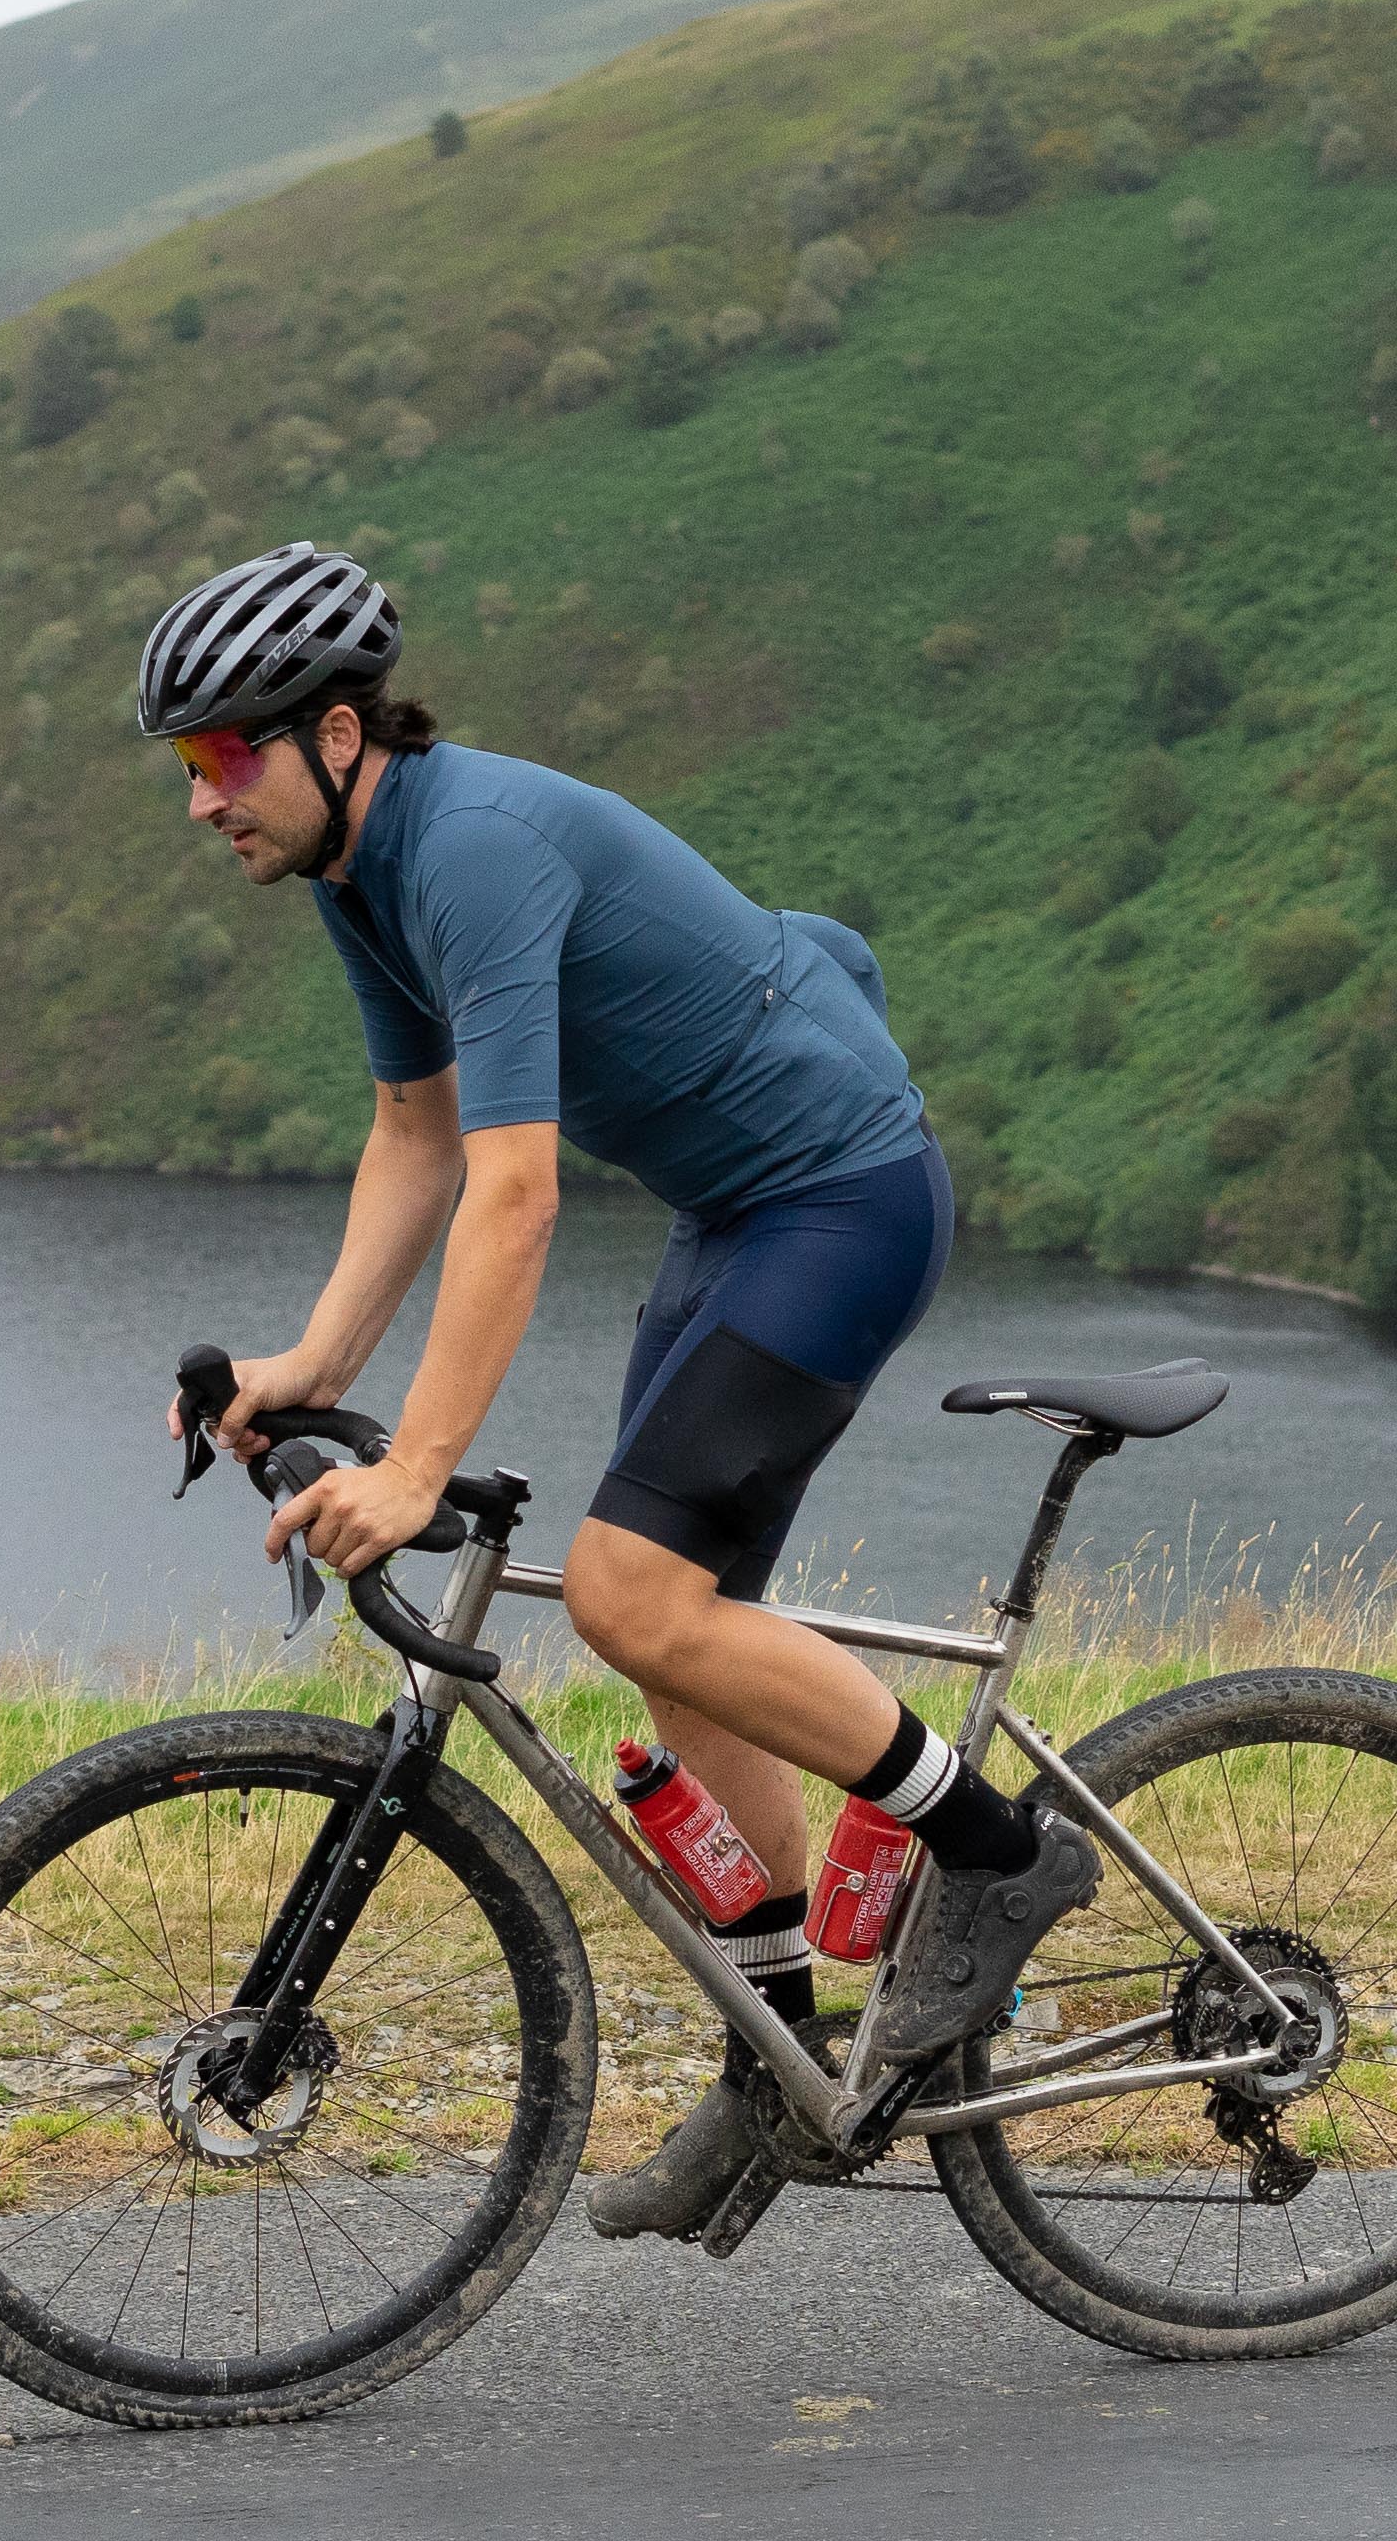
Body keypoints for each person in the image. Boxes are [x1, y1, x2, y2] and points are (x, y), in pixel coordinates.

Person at [137, 539, 1089, 2239]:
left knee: (644, 1596)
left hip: (842, 1197)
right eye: (190, 769)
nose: (201, 803)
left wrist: (421, 1465)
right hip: (740, 1212)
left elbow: (516, 1192)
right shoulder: (365, 876)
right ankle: (790, 2063)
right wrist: (316, 1367)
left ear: (339, 735)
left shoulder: (474, 853)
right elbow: (414, 1135)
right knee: (662, 1638)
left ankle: (1006, 1859)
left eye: (224, 759)